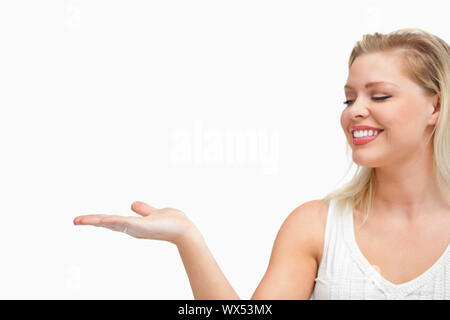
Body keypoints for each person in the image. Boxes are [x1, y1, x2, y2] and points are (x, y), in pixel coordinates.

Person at [73, 28, 450, 300]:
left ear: (435, 106)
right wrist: (188, 239)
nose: (356, 112)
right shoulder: (316, 226)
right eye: (348, 99)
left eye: (379, 95)